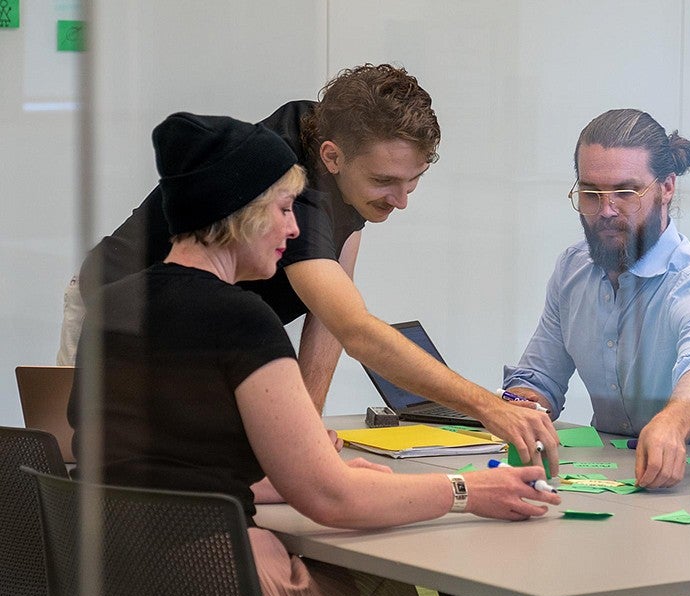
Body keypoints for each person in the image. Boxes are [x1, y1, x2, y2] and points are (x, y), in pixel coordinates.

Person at [68, 113, 561, 596]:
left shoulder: (112, 311)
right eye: (283, 210)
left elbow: (150, 471)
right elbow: (333, 500)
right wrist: (468, 490)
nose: (295, 229)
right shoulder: (241, 320)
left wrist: (292, 474)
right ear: (243, 213)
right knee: (394, 590)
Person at [61, 63, 558, 470]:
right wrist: (488, 407)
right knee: (95, 489)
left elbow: (331, 313)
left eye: (414, 181)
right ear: (332, 157)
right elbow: (356, 328)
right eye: (387, 181)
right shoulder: (295, 184)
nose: (401, 201)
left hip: (200, 343)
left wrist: (306, 431)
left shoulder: (337, 146)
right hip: (114, 317)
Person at [440, 108, 690, 596]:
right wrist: (520, 406)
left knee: (588, 589)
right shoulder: (573, 270)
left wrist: (671, 423)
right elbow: (538, 375)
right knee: (471, 585)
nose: (604, 211)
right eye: (589, 193)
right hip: (613, 499)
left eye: (624, 192)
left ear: (666, 189)